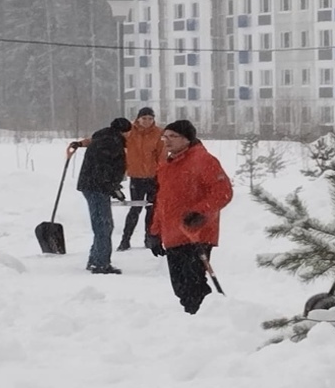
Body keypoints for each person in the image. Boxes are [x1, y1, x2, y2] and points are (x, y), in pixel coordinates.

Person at [148, 120, 233, 314]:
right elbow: (162, 202)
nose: (167, 141)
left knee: (192, 286)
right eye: (165, 136)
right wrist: (154, 232)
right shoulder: (166, 165)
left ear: (187, 139)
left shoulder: (203, 160)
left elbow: (223, 191)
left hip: (196, 233)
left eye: (173, 136)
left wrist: (200, 212)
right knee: (180, 287)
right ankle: (200, 317)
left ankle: (206, 317)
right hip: (172, 235)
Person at [70, 117, 131, 274]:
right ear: (124, 132)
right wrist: (112, 187)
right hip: (97, 188)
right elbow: (103, 169)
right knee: (104, 226)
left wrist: (112, 187)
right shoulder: (112, 143)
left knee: (103, 225)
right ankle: (100, 263)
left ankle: (95, 260)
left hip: (93, 186)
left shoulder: (103, 137)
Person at [117, 106, 165, 252]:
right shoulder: (130, 132)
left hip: (153, 177)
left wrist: (162, 174)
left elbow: (161, 155)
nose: (147, 121)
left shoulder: (158, 133)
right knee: (135, 209)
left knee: (152, 209)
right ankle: (125, 240)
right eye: (144, 118)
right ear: (138, 118)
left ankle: (149, 239)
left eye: (150, 119)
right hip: (136, 177)